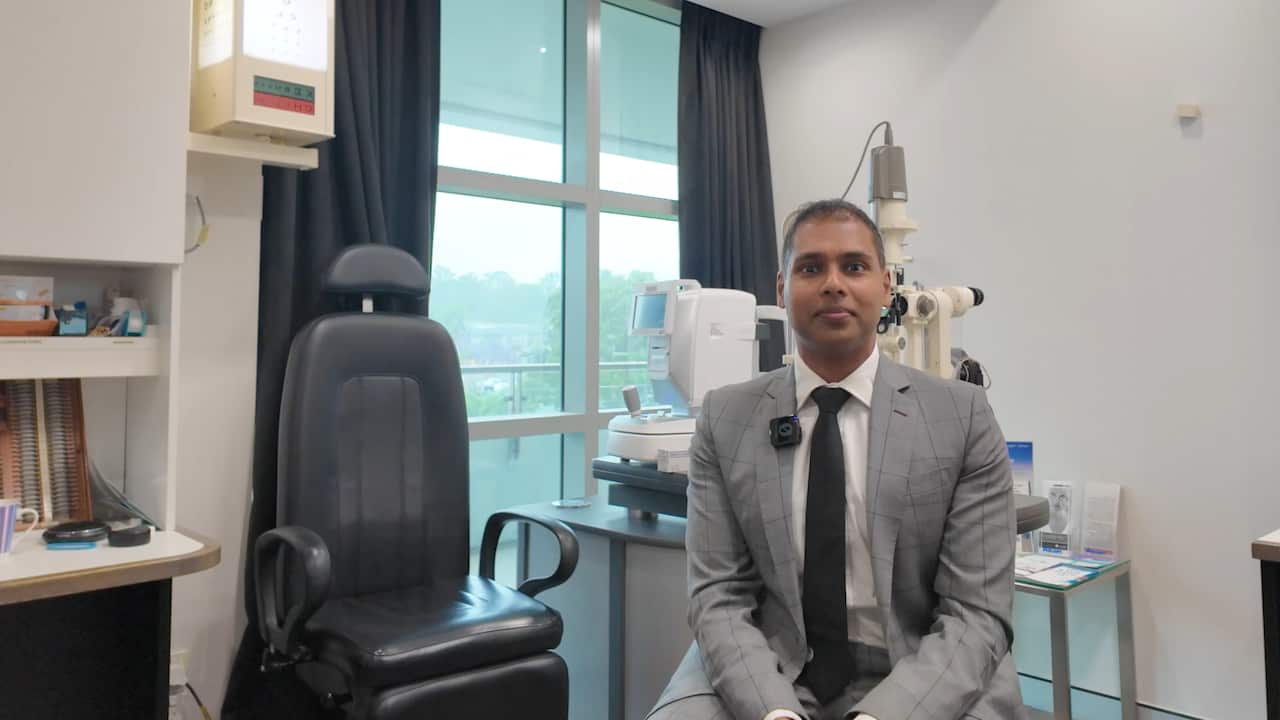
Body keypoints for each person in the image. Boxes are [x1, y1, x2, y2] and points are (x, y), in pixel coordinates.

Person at [648, 199, 1024, 720]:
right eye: (810, 267)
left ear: (886, 286)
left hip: (920, 660)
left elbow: (976, 611)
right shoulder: (725, 418)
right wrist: (772, 712)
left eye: (853, 266)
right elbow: (718, 596)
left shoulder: (961, 417)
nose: (832, 283)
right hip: (772, 660)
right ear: (781, 290)